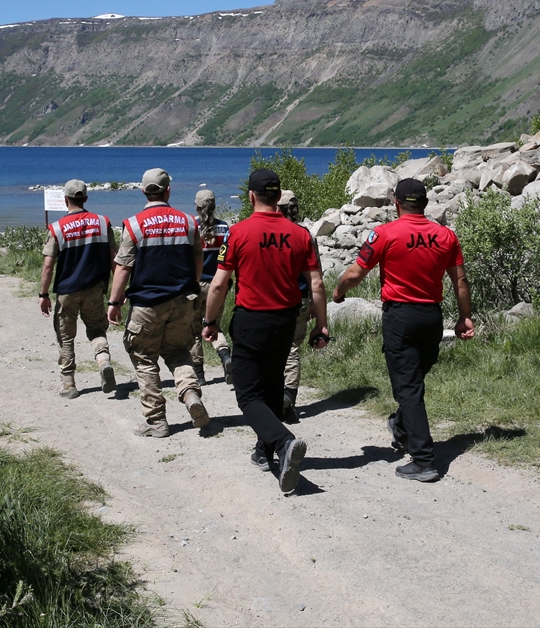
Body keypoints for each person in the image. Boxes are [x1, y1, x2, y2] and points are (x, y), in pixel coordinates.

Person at [332, 178, 474, 482]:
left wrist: (339, 291)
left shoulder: (383, 234)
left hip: (401, 318)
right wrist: (465, 318)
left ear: (397, 203)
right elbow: (459, 281)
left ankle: (424, 460)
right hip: (432, 318)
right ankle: (400, 425)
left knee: (408, 387)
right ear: (424, 203)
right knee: (413, 380)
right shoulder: (446, 235)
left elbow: (356, 273)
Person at [202, 169, 330, 494]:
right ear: (278, 197)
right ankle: (265, 451)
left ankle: (284, 443)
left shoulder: (238, 233)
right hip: (285, 320)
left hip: (251, 319)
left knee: (247, 394)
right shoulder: (301, 234)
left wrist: (210, 321)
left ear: (251, 196)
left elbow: (219, 284)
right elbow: (316, 283)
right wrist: (321, 323)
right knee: (273, 386)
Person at [107, 168, 209, 437]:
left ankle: (156, 421)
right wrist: (192, 285)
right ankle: (190, 396)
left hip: (147, 304)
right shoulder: (188, 222)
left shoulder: (134, 225)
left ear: (143, 191)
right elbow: (198, 259)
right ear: (168, 191)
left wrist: (114, 302)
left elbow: (123, 267)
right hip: (182, 300)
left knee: (144, 358)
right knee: (178, 352)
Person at [39, 179, 117, 399]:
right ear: (86, 198)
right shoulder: (103, 223)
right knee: (96, 330)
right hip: (95, 288)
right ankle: (103, 361)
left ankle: (69, 384)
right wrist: (116, 293)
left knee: (65, 337)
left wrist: (43, 294)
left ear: (66, 200)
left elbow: (48, 265)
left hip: (67, 291)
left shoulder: (57, 228)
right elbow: (115, 258)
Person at [278, 189, 322, 423]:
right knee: (293, 348)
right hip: (302, 298)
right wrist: (317, 304)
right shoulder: (305, 234)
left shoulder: (272, 233)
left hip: (274, 300)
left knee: (274, 349)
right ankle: (289, 397)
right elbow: (317, 273)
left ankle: (277, 396)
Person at [191, 189, 232, 384]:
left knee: (195, 330)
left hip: (196, 285)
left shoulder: (192, 227)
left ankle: (199, 375)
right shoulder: (225, 228)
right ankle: (226, 357)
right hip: (219, 285)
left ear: (197, 208)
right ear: (214, 207)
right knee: (214, 325)